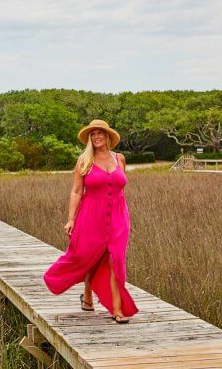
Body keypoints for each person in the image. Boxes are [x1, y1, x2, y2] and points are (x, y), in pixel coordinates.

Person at [43, 119, 138, 324]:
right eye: (92, 134)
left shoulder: (119, 158)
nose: (96, 136)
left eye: (100, 133)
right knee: (87, 256)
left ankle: (117, 309)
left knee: (116, 260)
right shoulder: (84, 161)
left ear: (107, 136)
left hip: (118, 216)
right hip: (91, 214)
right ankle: (87, 296)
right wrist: (71, 219)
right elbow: (77, 191)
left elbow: (118, 186)